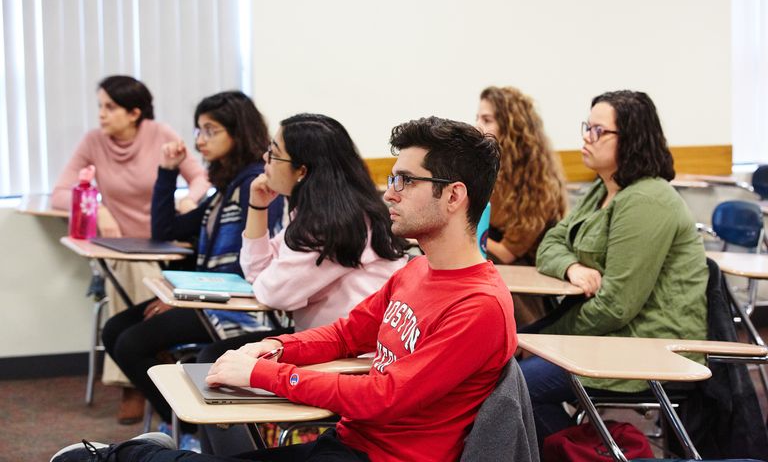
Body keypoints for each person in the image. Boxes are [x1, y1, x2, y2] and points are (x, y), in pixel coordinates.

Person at [52, 117, 518, 462]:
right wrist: (272, 347)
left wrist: (261, 376)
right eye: (391, 178)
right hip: (348, 442)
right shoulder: (416, 271)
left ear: (454, 196)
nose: (389, 193)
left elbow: (382, 395)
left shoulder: (479, 306)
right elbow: (343, 336)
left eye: (404, 180)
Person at [197, 113, 409, 454]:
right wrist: (257, 206)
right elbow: (258, 273)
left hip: (355, 363)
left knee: (215, 361)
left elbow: (269, 291)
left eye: (274, 153)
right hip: (327, 346)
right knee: (214, 359)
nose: (265, 161)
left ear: (302, 171)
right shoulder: (320, 212)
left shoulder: (336, 224)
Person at [520, 90, 707, 443]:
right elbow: (550, 243)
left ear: (632, 139)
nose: (586, 138)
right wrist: (571, 266)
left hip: (646, 347)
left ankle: (588, 452)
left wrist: (545, 341)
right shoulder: (604, 189)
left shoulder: (647, 200)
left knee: (514, 386)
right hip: (609, 338)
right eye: (586, 128)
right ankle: (584, 450)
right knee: (507, 381)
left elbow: (616, 305)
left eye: (597, 131)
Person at [100, 91, 283, 442]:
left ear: (238, 132)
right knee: (116, 330)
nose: (200, 141)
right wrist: (168, 173)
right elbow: (165, 232)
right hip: (208, 296)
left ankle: (190, 429)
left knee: (131, 342)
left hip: (236, 305)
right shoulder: (226, 190)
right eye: (198, 131)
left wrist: (186, 298)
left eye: (210, 131)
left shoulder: (255, 185)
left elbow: (246, 267)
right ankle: (186, 423)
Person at [51, 75, 210, 423]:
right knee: (127, 268)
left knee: (135, 272)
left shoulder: (161, 134)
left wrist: (190, 200)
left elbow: (200, 178)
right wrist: (101, 208)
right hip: (122, 249)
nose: (102, 115)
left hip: (166, 245)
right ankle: (141, 371)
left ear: (134, 112)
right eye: (100, 107)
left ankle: (136, 374)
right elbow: (60, 193)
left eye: (110, 107)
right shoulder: (93, 142)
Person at [476, 86, 568, 326]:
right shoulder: (491, 170)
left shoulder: (539, 183)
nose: (477, 126)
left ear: (511, 127)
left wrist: (459, 233)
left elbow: (508, 252)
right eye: (477, 117)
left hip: (526, 290)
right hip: (494, 270)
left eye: (486, 119)